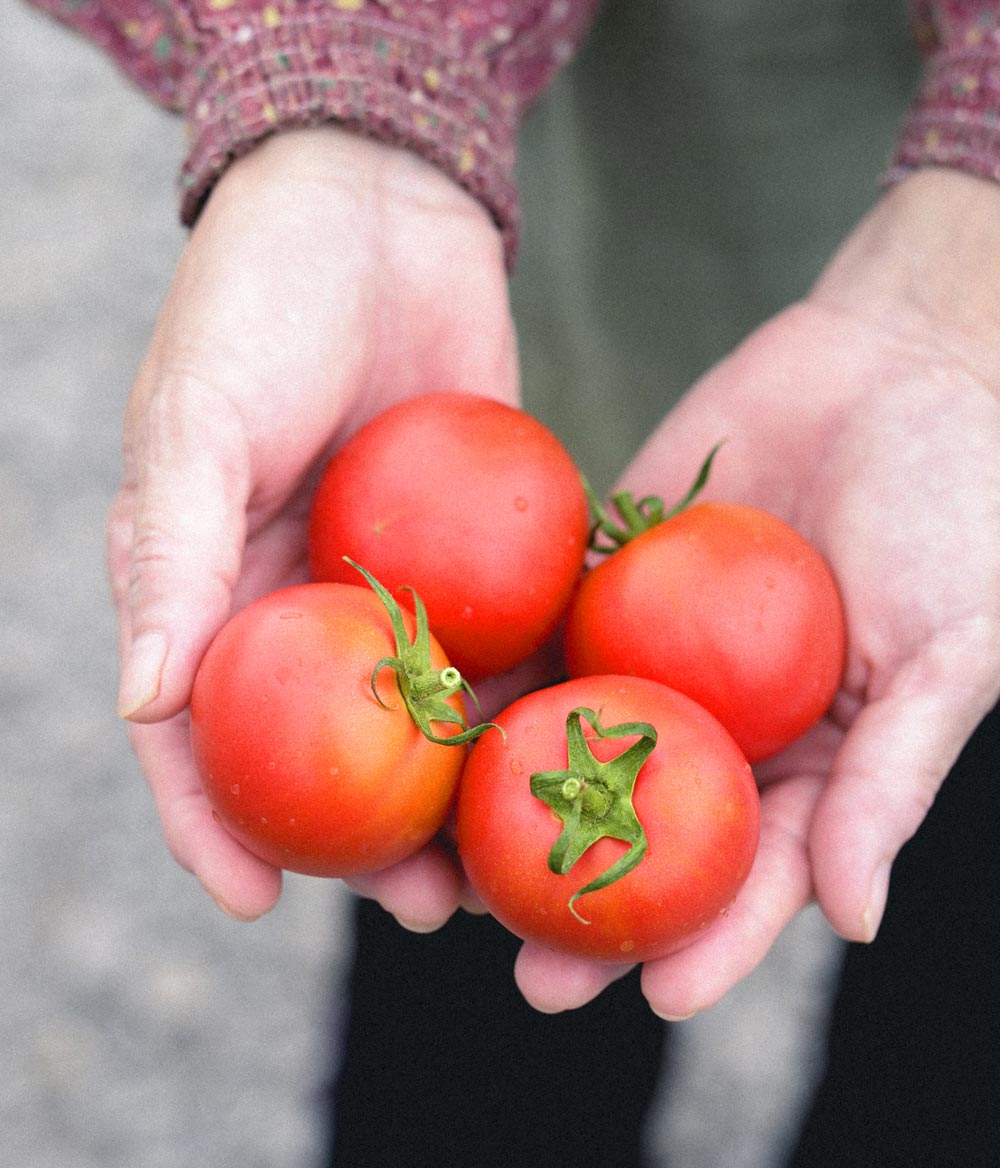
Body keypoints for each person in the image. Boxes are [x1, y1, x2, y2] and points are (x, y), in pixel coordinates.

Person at [29, 0, 1000, 1162]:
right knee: (484, 1045)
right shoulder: (469, 709)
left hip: (948, 411)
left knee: (950, 947)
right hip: (566, 220)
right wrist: (366, 78)